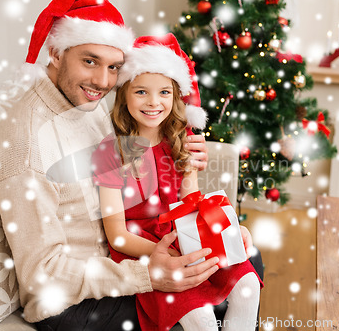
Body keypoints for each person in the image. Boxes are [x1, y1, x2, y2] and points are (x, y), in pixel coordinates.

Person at [0, 0, 217, 330]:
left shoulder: (87, 104)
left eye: (114, 68)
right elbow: (43, 273)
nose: (103, 81)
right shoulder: (26, 148)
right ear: (54, 51)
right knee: (204, 300)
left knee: (239, 259)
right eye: (90, 61)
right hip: (75, 304)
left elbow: (140, 149)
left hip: (122, 258)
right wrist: (149, 275)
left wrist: (186, 152)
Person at [92, 34, 263, 331]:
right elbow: (117, 235)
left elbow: (190, 202)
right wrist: (168, 255)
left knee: (248, 284)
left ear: (175, 96)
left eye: (164, 93)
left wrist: (227, 229)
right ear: (124, 94)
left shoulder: (178, 140)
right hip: (145, 250)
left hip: (186, 237)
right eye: (141, 92)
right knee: (201, 318)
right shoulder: (111, 152)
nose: (154, 102)